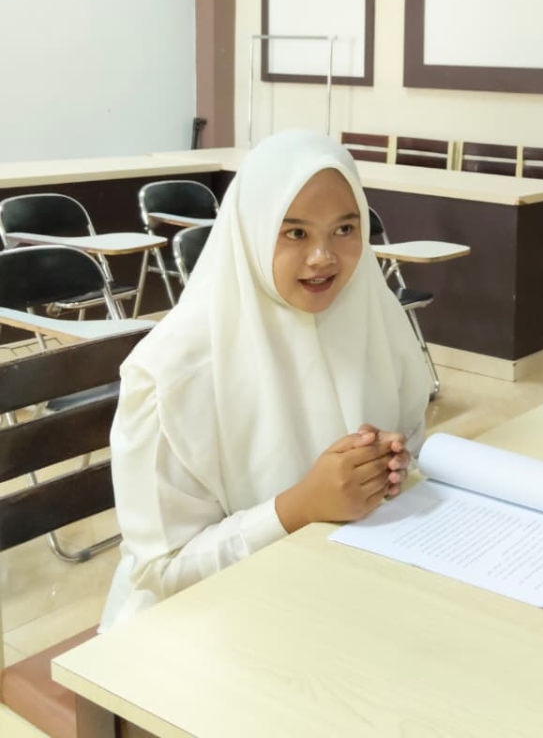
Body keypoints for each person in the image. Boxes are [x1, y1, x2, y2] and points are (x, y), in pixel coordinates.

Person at [100, 131, 431, 630]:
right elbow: (160, 571)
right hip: (203, 625)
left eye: (345, 228)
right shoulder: (171, 372)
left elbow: (411, 441)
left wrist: (389, 469)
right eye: (295, 233)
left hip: (335, 592)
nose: (323, 257)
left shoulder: (375, 318)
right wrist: (298, 508)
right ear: (251, 231)